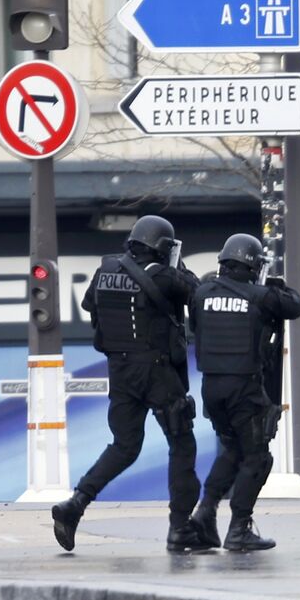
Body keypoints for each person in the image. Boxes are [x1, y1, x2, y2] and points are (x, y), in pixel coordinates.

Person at [51, 215, 211, 552]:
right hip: (157, 372)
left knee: (124, 446)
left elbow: (89, 304)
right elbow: (198, 295)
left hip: (120, 371)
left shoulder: (106, 270)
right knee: (182, 443)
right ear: (163, 247)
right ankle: (180, 527)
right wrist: (178, 266)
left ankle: (75, 504)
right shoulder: (166, 276)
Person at [188, 234, 300, 551]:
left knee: (232, 450)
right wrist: (277, 287)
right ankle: (239, 528)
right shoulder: (259, 296)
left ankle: (205, 511)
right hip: (244, 389)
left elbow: (195, 330)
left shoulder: (200, 294)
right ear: (253, 265)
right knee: (258, 458)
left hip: (212, 389)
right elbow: (297, 306)